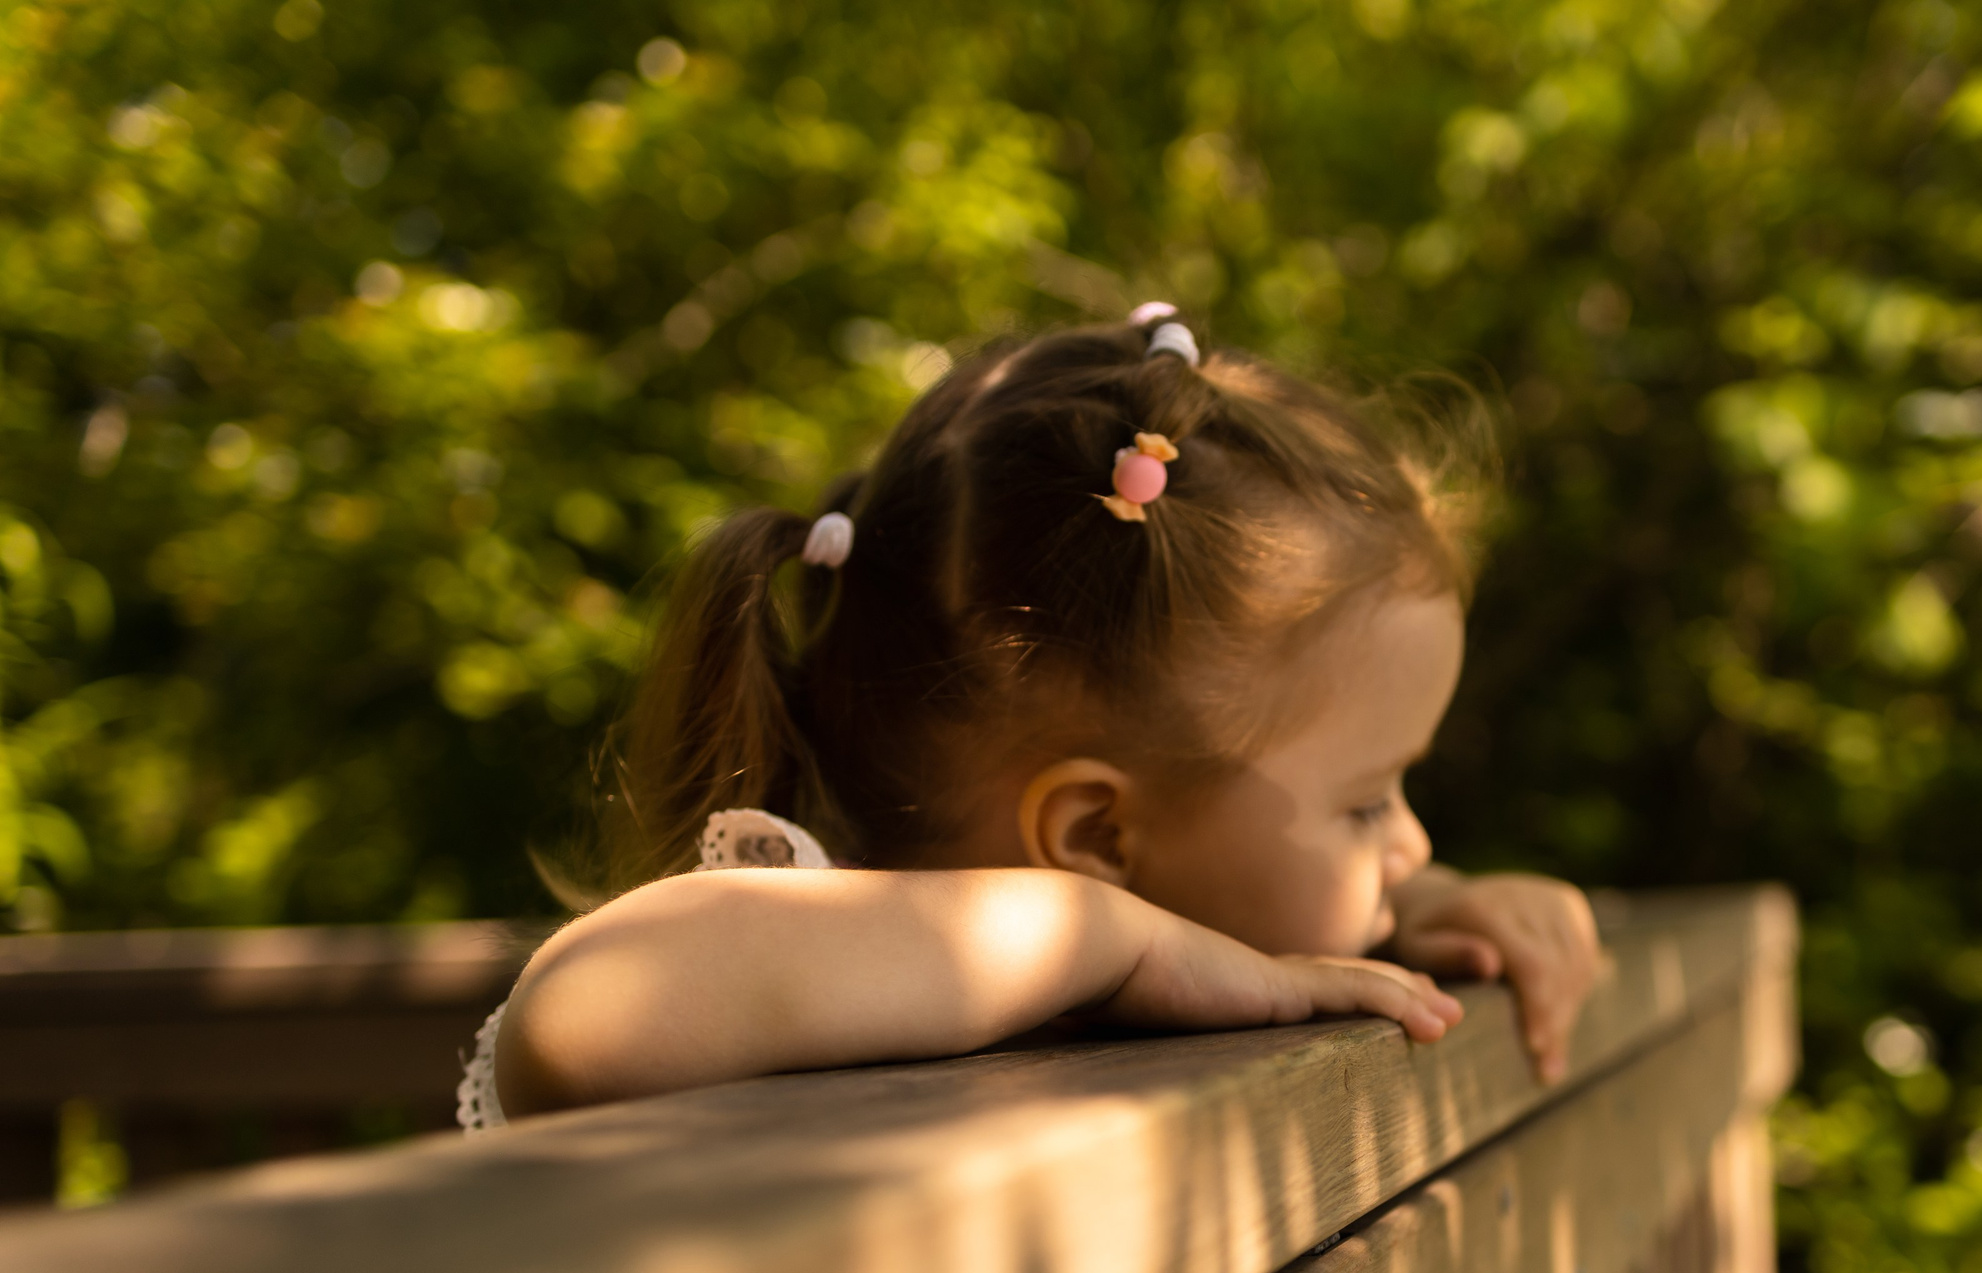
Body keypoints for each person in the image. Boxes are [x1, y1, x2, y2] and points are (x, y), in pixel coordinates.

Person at [457, 306, 1599, 1130]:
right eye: (1365, 804)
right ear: (1096, 839)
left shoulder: (1174, 924)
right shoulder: (800, 947)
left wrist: (1432, 910)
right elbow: (578, 1014)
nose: (1414, 841)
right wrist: (1108, 940)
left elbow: (1263, 911)